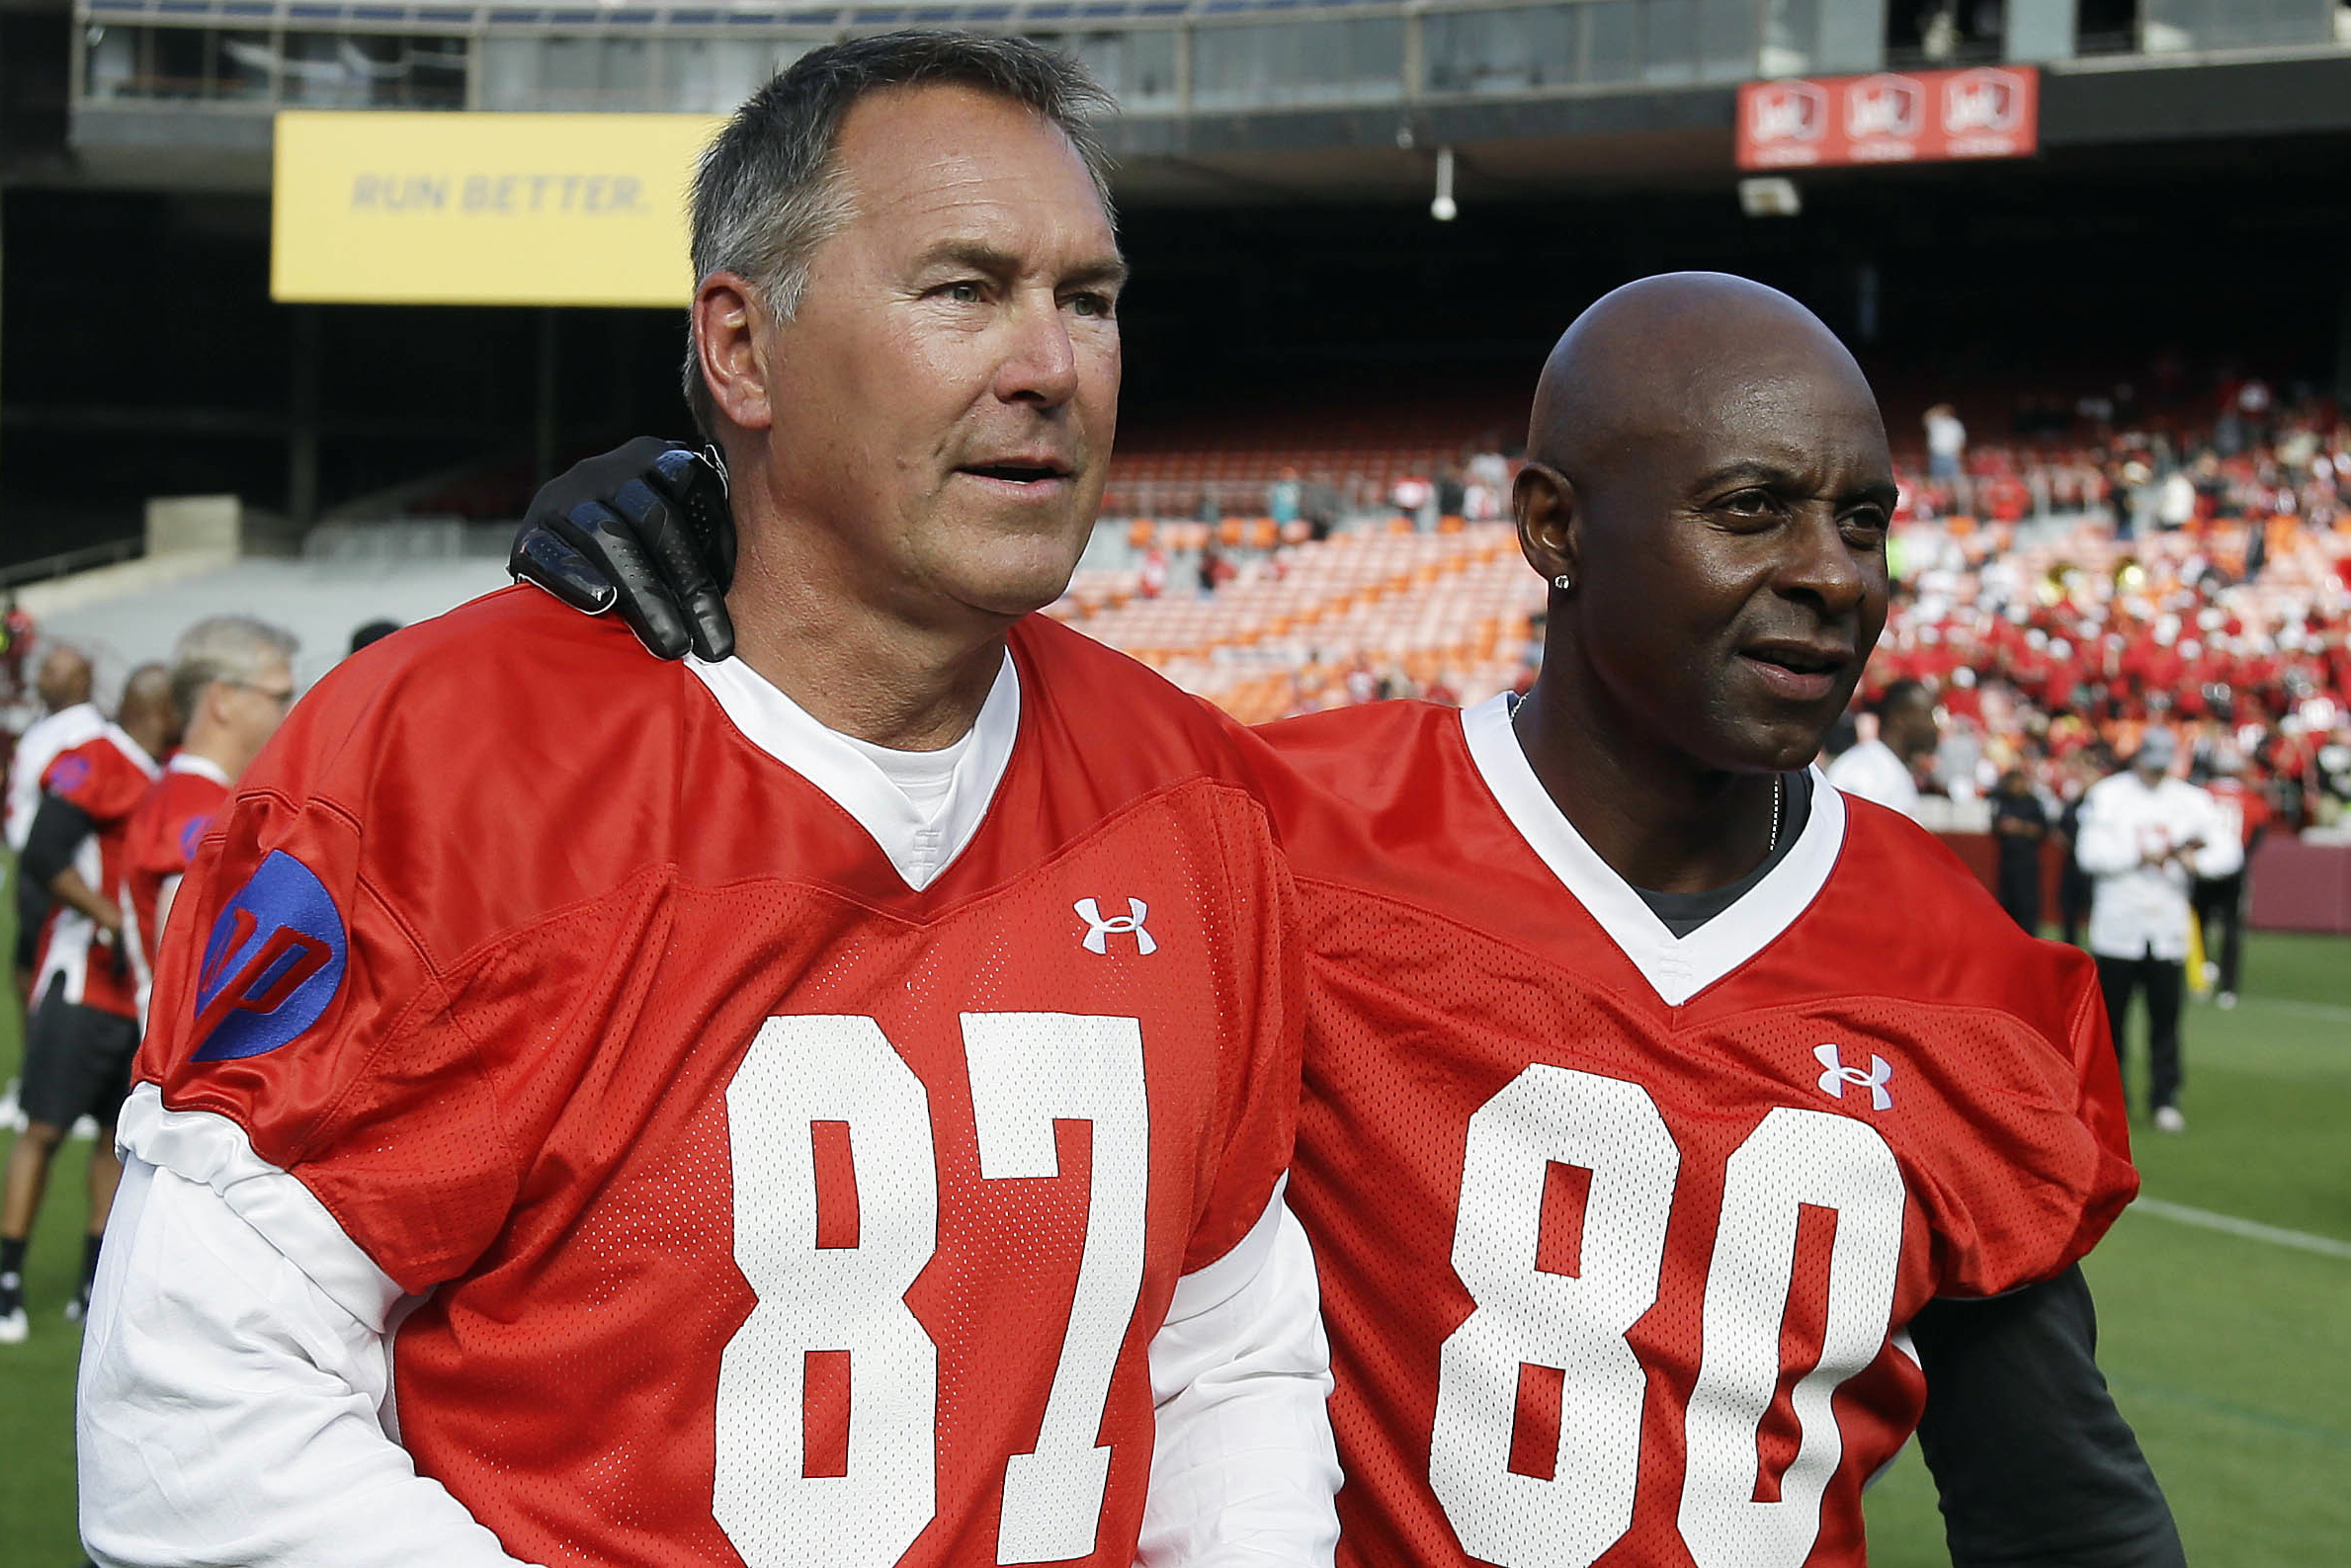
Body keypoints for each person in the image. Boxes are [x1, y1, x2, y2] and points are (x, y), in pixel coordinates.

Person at [522, 273, 2181, 1566]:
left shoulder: (1968, 985)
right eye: (1749, 510)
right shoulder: (1270, 837)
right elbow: (892, 785)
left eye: (1862, 520)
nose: (1831, 573)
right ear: (1550, 529)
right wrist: (724, 525)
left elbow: (2053, 1510)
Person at [80, 36, 1339, 1568]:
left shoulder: (1193, 797)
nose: (1048, 363)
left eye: (1087, 298)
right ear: (739, 350)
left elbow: (1223, 1351)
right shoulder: (436, 756)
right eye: (962, 287)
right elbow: (192, 1416)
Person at [1, 664, 176, 1340]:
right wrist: (109, 914)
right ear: (159, 713)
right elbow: (43, 852)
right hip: (83, 976)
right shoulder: (95, 761)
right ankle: (9, 1275)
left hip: (137, 989)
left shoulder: (166, 779)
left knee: (114, 1136)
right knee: (43, 1129)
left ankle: (91, 1277)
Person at [120, 618, 301, 1025]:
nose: (291, 711)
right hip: (201, 1069)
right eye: (279, 696)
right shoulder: (197, 811)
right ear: (221, 699)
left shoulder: (199, 797)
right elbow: (189, 964)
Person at [2075, 727, 2243, 1133]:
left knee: (2165, 1019)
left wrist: (2194, 863)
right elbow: (2090, 853)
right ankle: (2107, 1103)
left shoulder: (2190, 800)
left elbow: (2228, 851)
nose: (2155, 772)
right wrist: (2139, 855)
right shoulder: (2110, 795)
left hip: (2166, 927)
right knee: (2110, 1024)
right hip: (2119, 925)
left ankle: (2164, 1096)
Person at [1822, 678, 1937, 818]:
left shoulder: (1890, 766)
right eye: (1926, 715)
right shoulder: (1866, 769)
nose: (1932, 726)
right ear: (1899, 718)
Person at [1989, 766, 2051, 933]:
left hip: (2027, 863)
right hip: (2007, 862)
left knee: (2027, 905)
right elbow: (1995, 825)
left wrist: (2019, 827)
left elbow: (2043, 830)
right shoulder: (2002, 801)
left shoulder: (2033, 803)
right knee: (2007, 904)